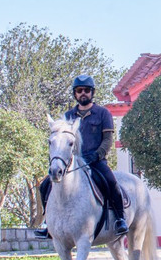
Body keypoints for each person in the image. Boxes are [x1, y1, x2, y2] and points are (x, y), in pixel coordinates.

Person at [34, 75, 128, 239]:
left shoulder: (103, 113)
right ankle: (48, 223)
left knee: (112, 183)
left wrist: (98, 154)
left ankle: (120, 219)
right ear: (75, 94)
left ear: (92, 93)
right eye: (79, 91)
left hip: (96, 161)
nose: (83, 93)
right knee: (45, 186)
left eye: (86, 90)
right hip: (73, 163)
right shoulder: (68, 116)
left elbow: (107, 140)